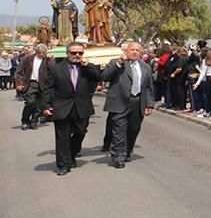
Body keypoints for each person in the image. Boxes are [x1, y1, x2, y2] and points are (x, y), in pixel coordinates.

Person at [40, 41, 102, 175]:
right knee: (62, 137)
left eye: (80, 52)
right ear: (67, 53)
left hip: (82, 106)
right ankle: (63, 164)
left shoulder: (87, 68)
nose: (77, 55)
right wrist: (45, 106)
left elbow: (98, 77)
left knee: (80, 132)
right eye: (74, 53)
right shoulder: (56, 69)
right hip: (62, 106)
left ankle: (71, 154)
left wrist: (87, 66)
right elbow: (47, 88)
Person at [101, 41, 155, 168]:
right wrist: (119, 63)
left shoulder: (145, 67)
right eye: (132, 50)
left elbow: (148, 87)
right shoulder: (116, 63)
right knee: (119, 130)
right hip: (120, 101)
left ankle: (128, 151)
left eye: (137, 50)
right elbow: (105, 76)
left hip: (137, 102)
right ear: (126, 51)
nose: (135, 52)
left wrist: (149, 104)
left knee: (133, 129)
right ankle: (118, 156)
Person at [15, 43, 52, 129]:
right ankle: (25, 121)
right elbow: (18, 72)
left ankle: (34, 121)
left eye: (43, 53)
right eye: (40, 52)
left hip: (43, 84)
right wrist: (19, 84)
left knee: (40, 105)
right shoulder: (27, 59)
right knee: (30, 102)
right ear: (36, 52)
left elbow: (52, 70)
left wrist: (49, 59)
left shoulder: (48, 60)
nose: (41, 54)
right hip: (31, 83)